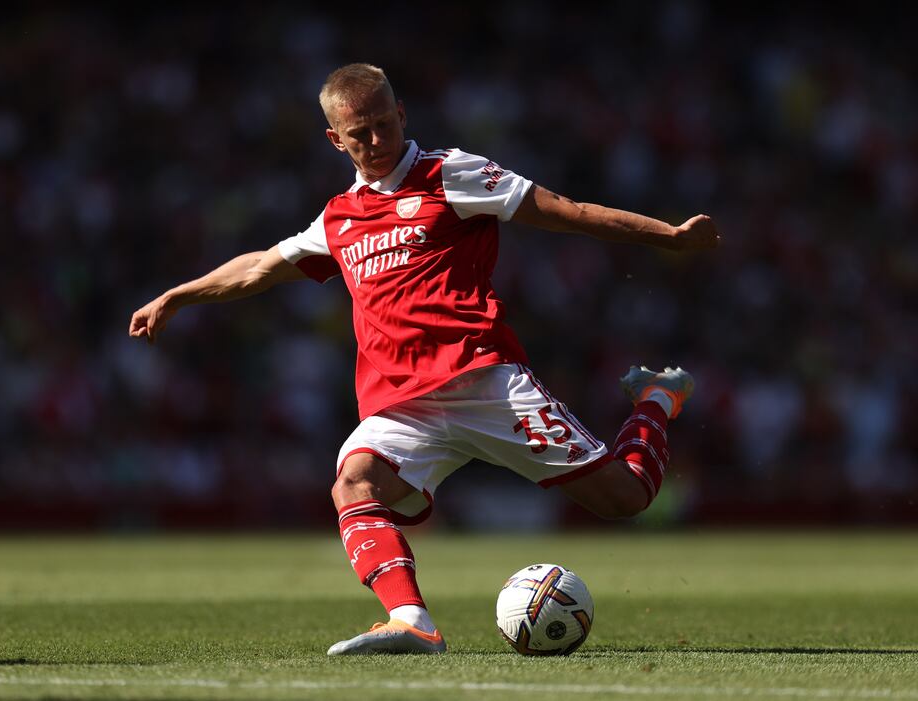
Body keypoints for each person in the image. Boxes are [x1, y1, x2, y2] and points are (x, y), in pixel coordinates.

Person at [129, 63, 720, 655]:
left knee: (628, 499)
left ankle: (656, 400)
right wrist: (178, 295)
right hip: (402, 406)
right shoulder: (338, 219)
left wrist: (664, 237)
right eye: (360, 134)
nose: (378, 142)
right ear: (336, 139)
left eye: (385, 124)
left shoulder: (452, 174)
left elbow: (566, 209)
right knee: (353, 482)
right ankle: (412, 620)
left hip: (484, 383)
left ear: (402, 113)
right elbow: (259, 266)